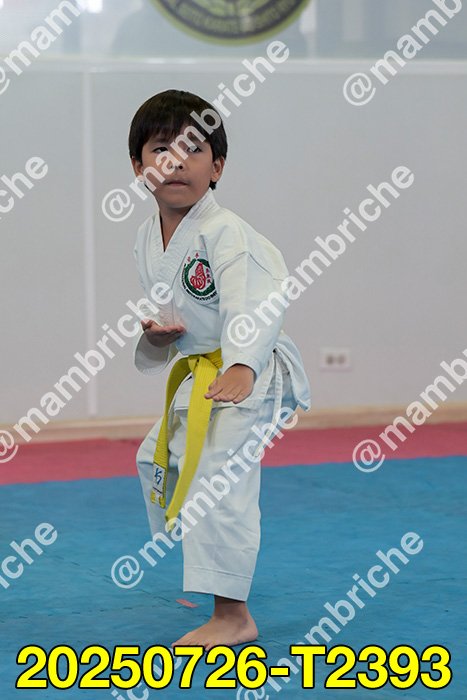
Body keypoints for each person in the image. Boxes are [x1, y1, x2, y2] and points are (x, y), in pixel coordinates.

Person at [129, 89, 311, 650]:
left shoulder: (227, 231)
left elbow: (255, 303)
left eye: (193, 150)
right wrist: (158, 335)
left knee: (219, 482)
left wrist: (242, 365)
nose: (177, 162)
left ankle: (233, 615)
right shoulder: (147, 238)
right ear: (139, 167)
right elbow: (177, 313)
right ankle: (201, 555)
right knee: (155, 459)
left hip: (248, 372)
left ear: (218, 168)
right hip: (204, 372)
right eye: (162, 149)